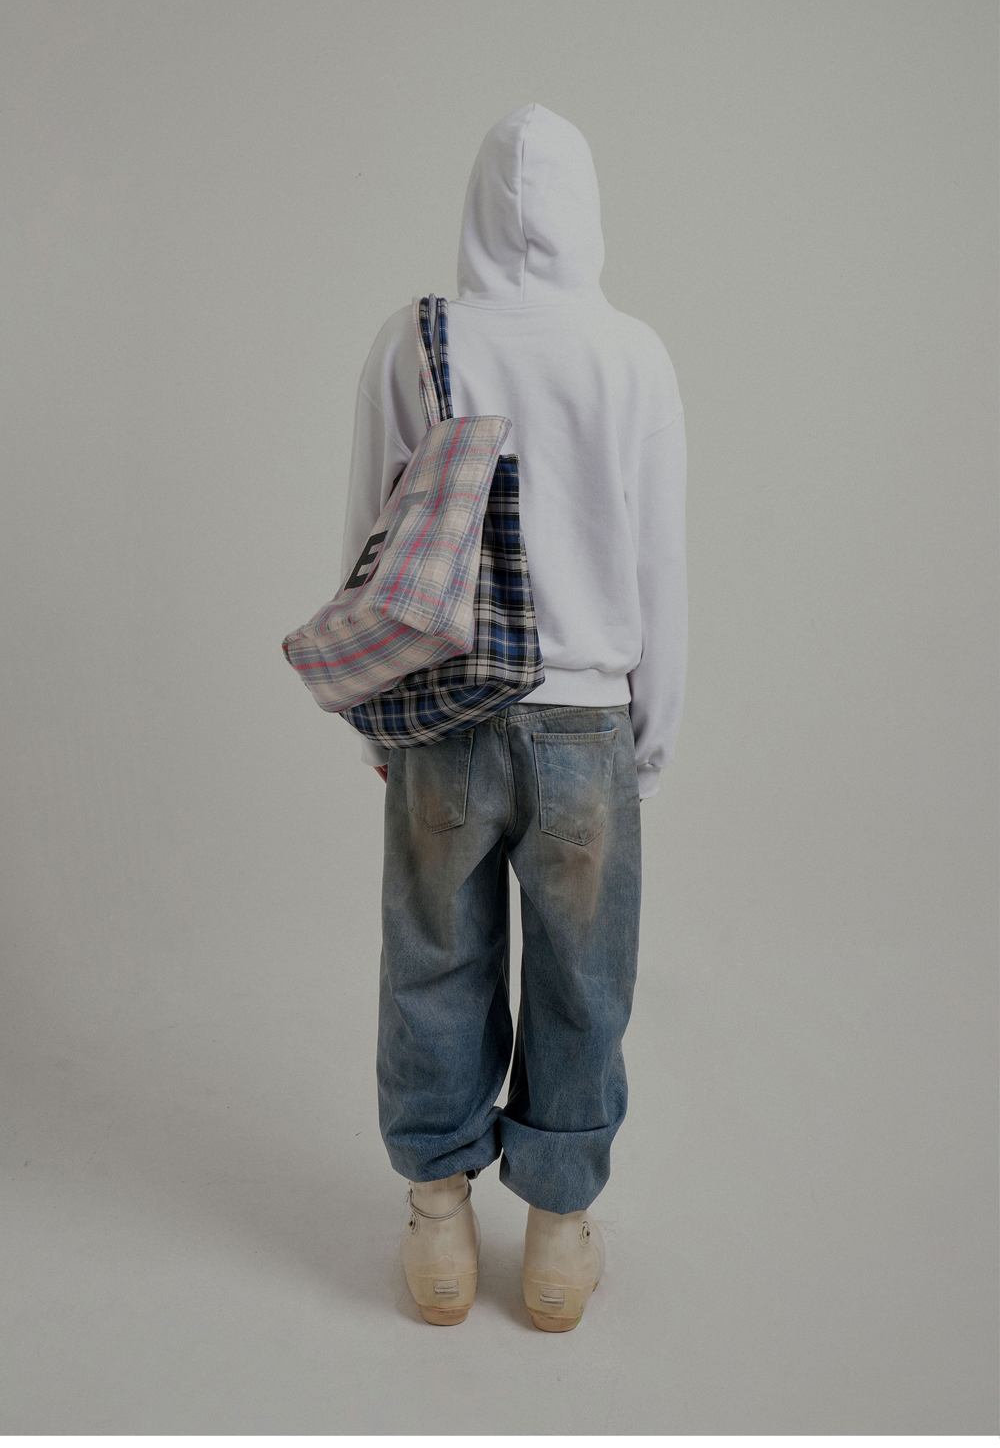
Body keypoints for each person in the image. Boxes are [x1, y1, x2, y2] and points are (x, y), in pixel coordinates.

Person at [341, 104, 688, 1332]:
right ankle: (556, 1234)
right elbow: (658, 560)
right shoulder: (633, 354)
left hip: (442, 712)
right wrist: (650, 736)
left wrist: (380, 722)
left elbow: (371, 538)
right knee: (584, 979)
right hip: (587, 728)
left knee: (432, 962)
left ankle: (438, 1223)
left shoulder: (412, 339)